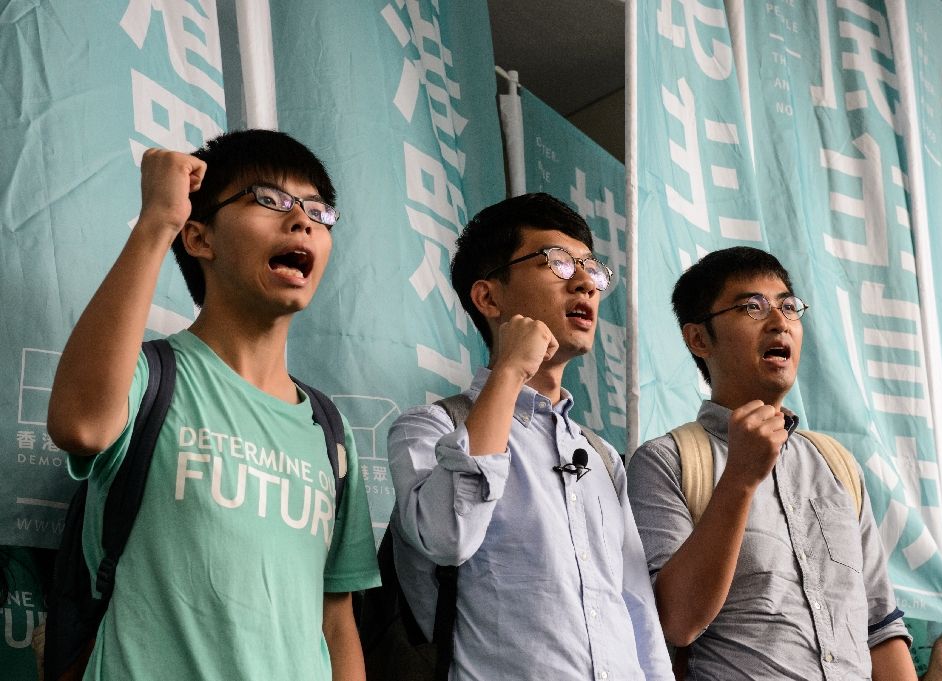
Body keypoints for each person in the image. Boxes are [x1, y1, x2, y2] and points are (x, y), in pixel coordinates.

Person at [47, 130, 380, 680]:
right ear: (200, 238)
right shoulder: (150, 376)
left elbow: (336, 619)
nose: (302, 221)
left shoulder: (329, 429)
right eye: (268, 199)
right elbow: (80, 425)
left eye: (318, 211)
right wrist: (159, 222)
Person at [386, 193, 673, 680]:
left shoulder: (601, 456)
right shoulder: (430, 428)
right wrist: (512, 370)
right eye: (557, 263)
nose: (584, 282)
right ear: (488, 297)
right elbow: (447, 538)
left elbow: (637, 608)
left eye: (591, 268)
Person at [627, 246, 915, 680]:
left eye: (788, 306)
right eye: (752, 307)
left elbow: (880, 630)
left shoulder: (836, 465)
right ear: (698, 338)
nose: (779, 321)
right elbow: (675, 622)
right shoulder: (666, 463)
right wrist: (740, 479)